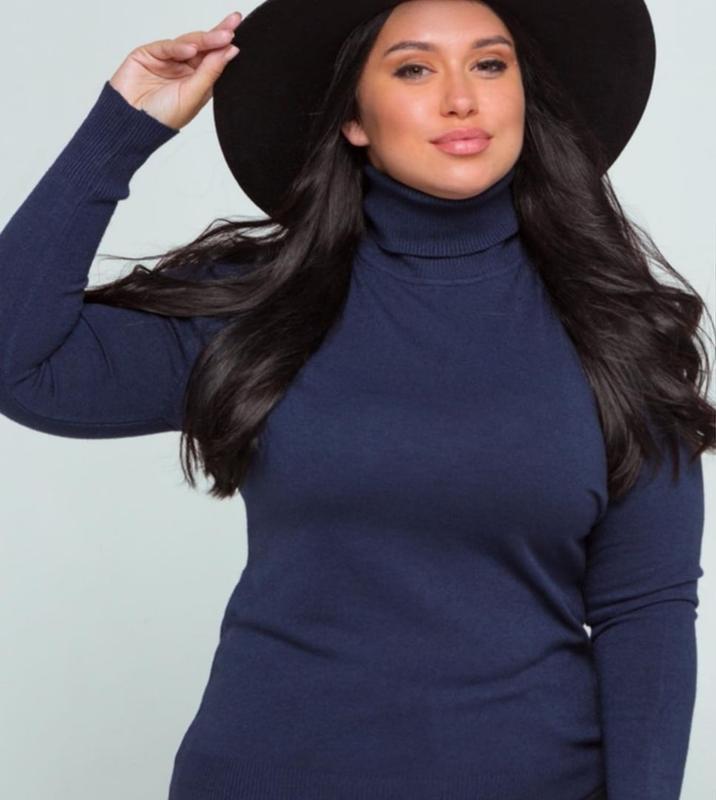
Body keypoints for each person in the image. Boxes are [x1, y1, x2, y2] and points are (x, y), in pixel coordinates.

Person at [0, 1, 713, 798]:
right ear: (352, 118)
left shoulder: (615, 330)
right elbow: (18, 364)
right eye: (413, 68)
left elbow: (645, 613)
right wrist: (123, 126)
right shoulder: (258, 309)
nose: (461, 98)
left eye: (490, 64)